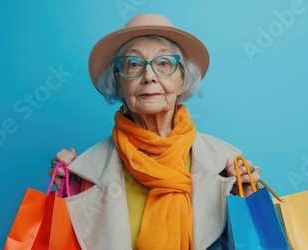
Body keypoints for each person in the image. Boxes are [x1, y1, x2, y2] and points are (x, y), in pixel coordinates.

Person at [48, 13, 262, 250]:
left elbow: (250, 242)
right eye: (134, 65)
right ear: (119, 83)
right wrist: (71, 189)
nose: (149, 76)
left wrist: (247, 194)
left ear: (182, 80)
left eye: (163, 63)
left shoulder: (225, 163)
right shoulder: (86, 170)